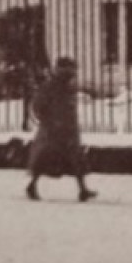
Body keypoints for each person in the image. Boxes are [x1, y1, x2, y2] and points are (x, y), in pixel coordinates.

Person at [26, 58, 96, 202]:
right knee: (45, 159)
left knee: (76, 159)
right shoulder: (50, 86)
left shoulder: (68, 87)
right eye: (70, 70)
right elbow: (38, 105)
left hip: (68, 130)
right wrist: (47, 120)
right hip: (53, 132)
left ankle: (83, 190)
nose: (73, 73)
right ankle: (32, 185)